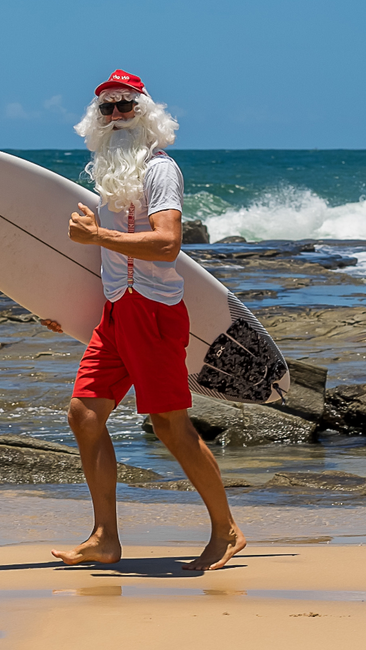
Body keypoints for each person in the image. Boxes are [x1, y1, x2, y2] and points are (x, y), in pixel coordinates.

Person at [40, 70, 246, 571]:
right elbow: (99, 261)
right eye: (107, 109)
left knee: (171, 426)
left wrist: (96, 239)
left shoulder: (161, 171)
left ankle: (228, 530)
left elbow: (167, 244)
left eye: (125, 107)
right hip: (115, 313)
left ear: (146, 114)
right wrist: (61, 306)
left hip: (155, 313)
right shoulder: (108, 181)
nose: (115, 117)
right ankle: (104, 538)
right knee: (84, 415)